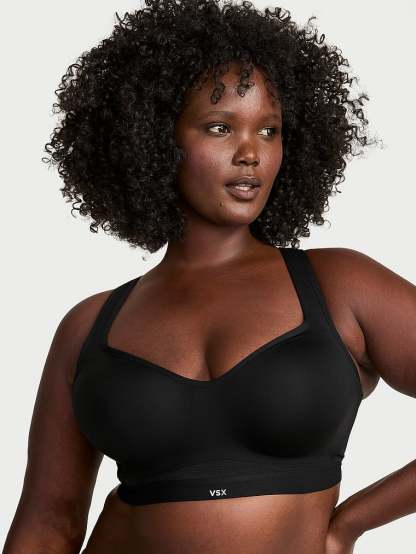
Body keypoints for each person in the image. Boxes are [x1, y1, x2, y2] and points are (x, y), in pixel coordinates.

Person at [4, 0, 416, 553]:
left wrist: (350, 524)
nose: (250, 153)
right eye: (220, 127)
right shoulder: (89, 326)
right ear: (155, 138)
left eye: (269, 130)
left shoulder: (340, 285)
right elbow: (48, 524)